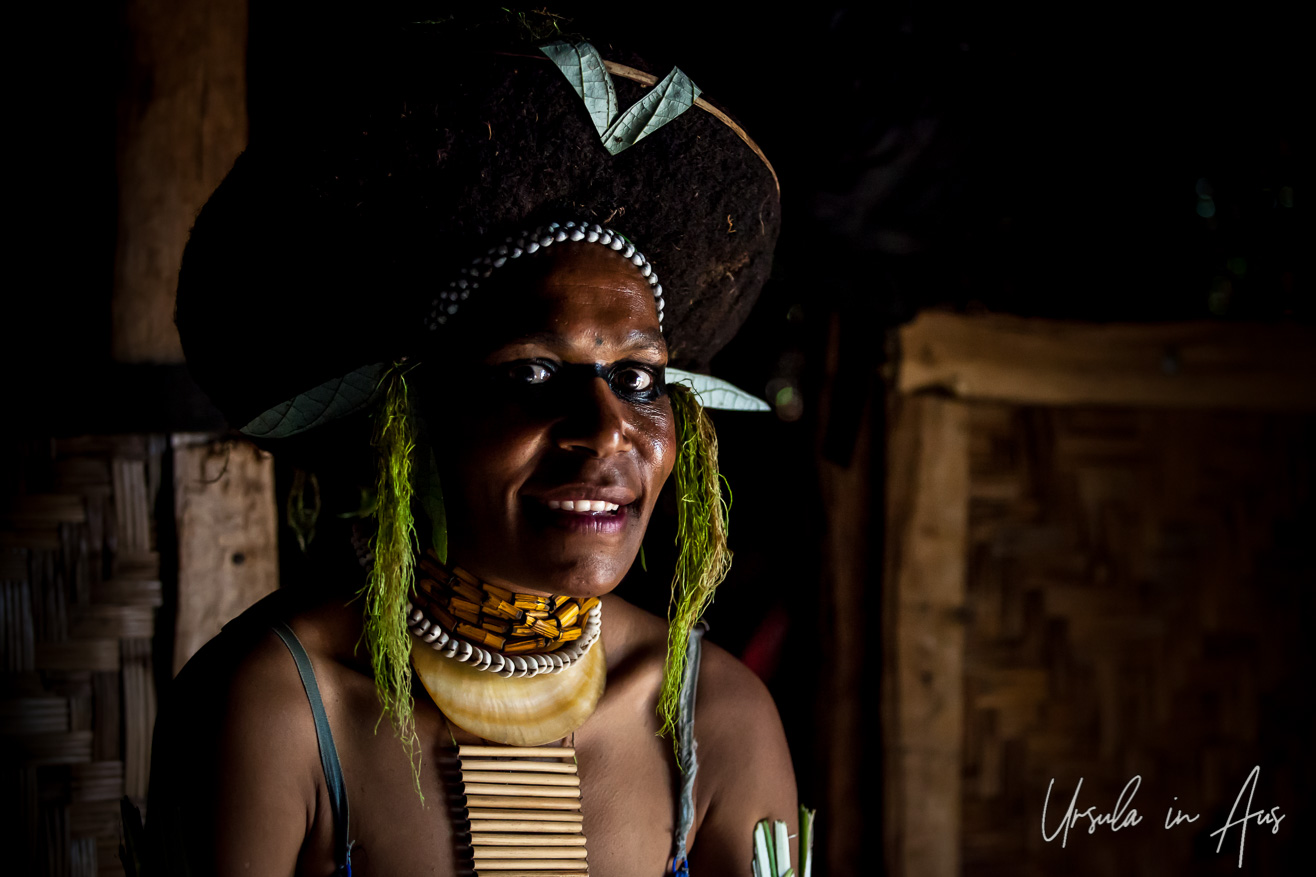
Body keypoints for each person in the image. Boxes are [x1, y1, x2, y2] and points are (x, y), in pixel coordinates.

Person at [136, 16, 798, 877]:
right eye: (528, 375)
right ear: (410, 419)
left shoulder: (715, 719)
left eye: (639, 379)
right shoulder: (281, 708)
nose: (606, 429)